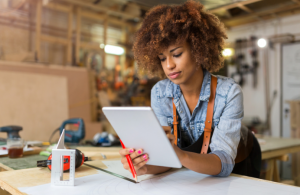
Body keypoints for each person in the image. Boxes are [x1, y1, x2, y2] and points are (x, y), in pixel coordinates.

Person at [119, 0, 261, 177]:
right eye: (162, 58)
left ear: (198, 50)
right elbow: (167, 160)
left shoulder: (228, 93)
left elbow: (223, 164)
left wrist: (179, 155)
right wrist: (144, 166)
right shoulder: (160, 93)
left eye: (177, 54)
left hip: (240, 167)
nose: (169, 65)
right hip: (197, 174)